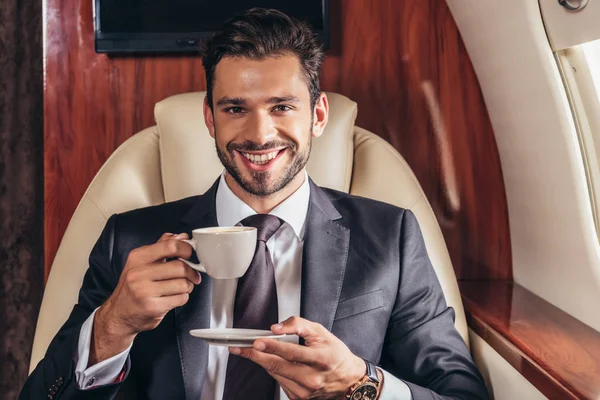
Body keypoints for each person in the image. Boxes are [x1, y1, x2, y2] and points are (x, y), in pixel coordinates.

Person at [20, 8, 488, 400]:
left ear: (318, 115)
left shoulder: (391, 237)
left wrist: (361, 383)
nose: (260, 134)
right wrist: (111, 326)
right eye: (235, 108)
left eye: (282, 106)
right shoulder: (130, 239)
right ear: (209, 117)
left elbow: (460, 393)